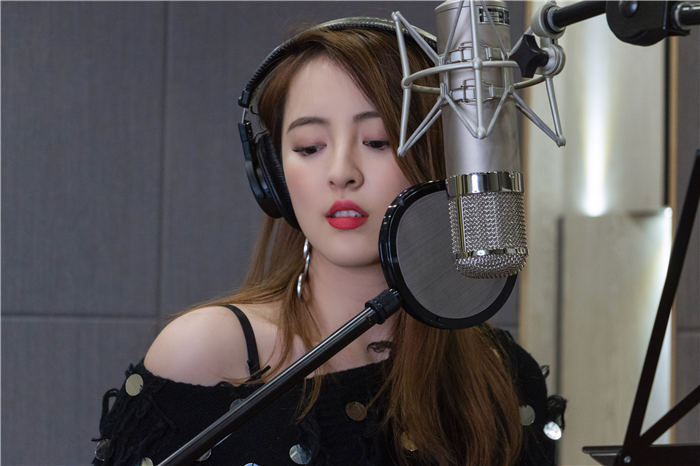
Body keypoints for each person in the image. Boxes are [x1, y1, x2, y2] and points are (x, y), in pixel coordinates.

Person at [92, 17, 561, 466]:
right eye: (310, 147)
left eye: (377, 141)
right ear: (273, 177)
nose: (341, 173)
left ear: (443, 158)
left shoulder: (499, 372)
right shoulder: (205, 352)